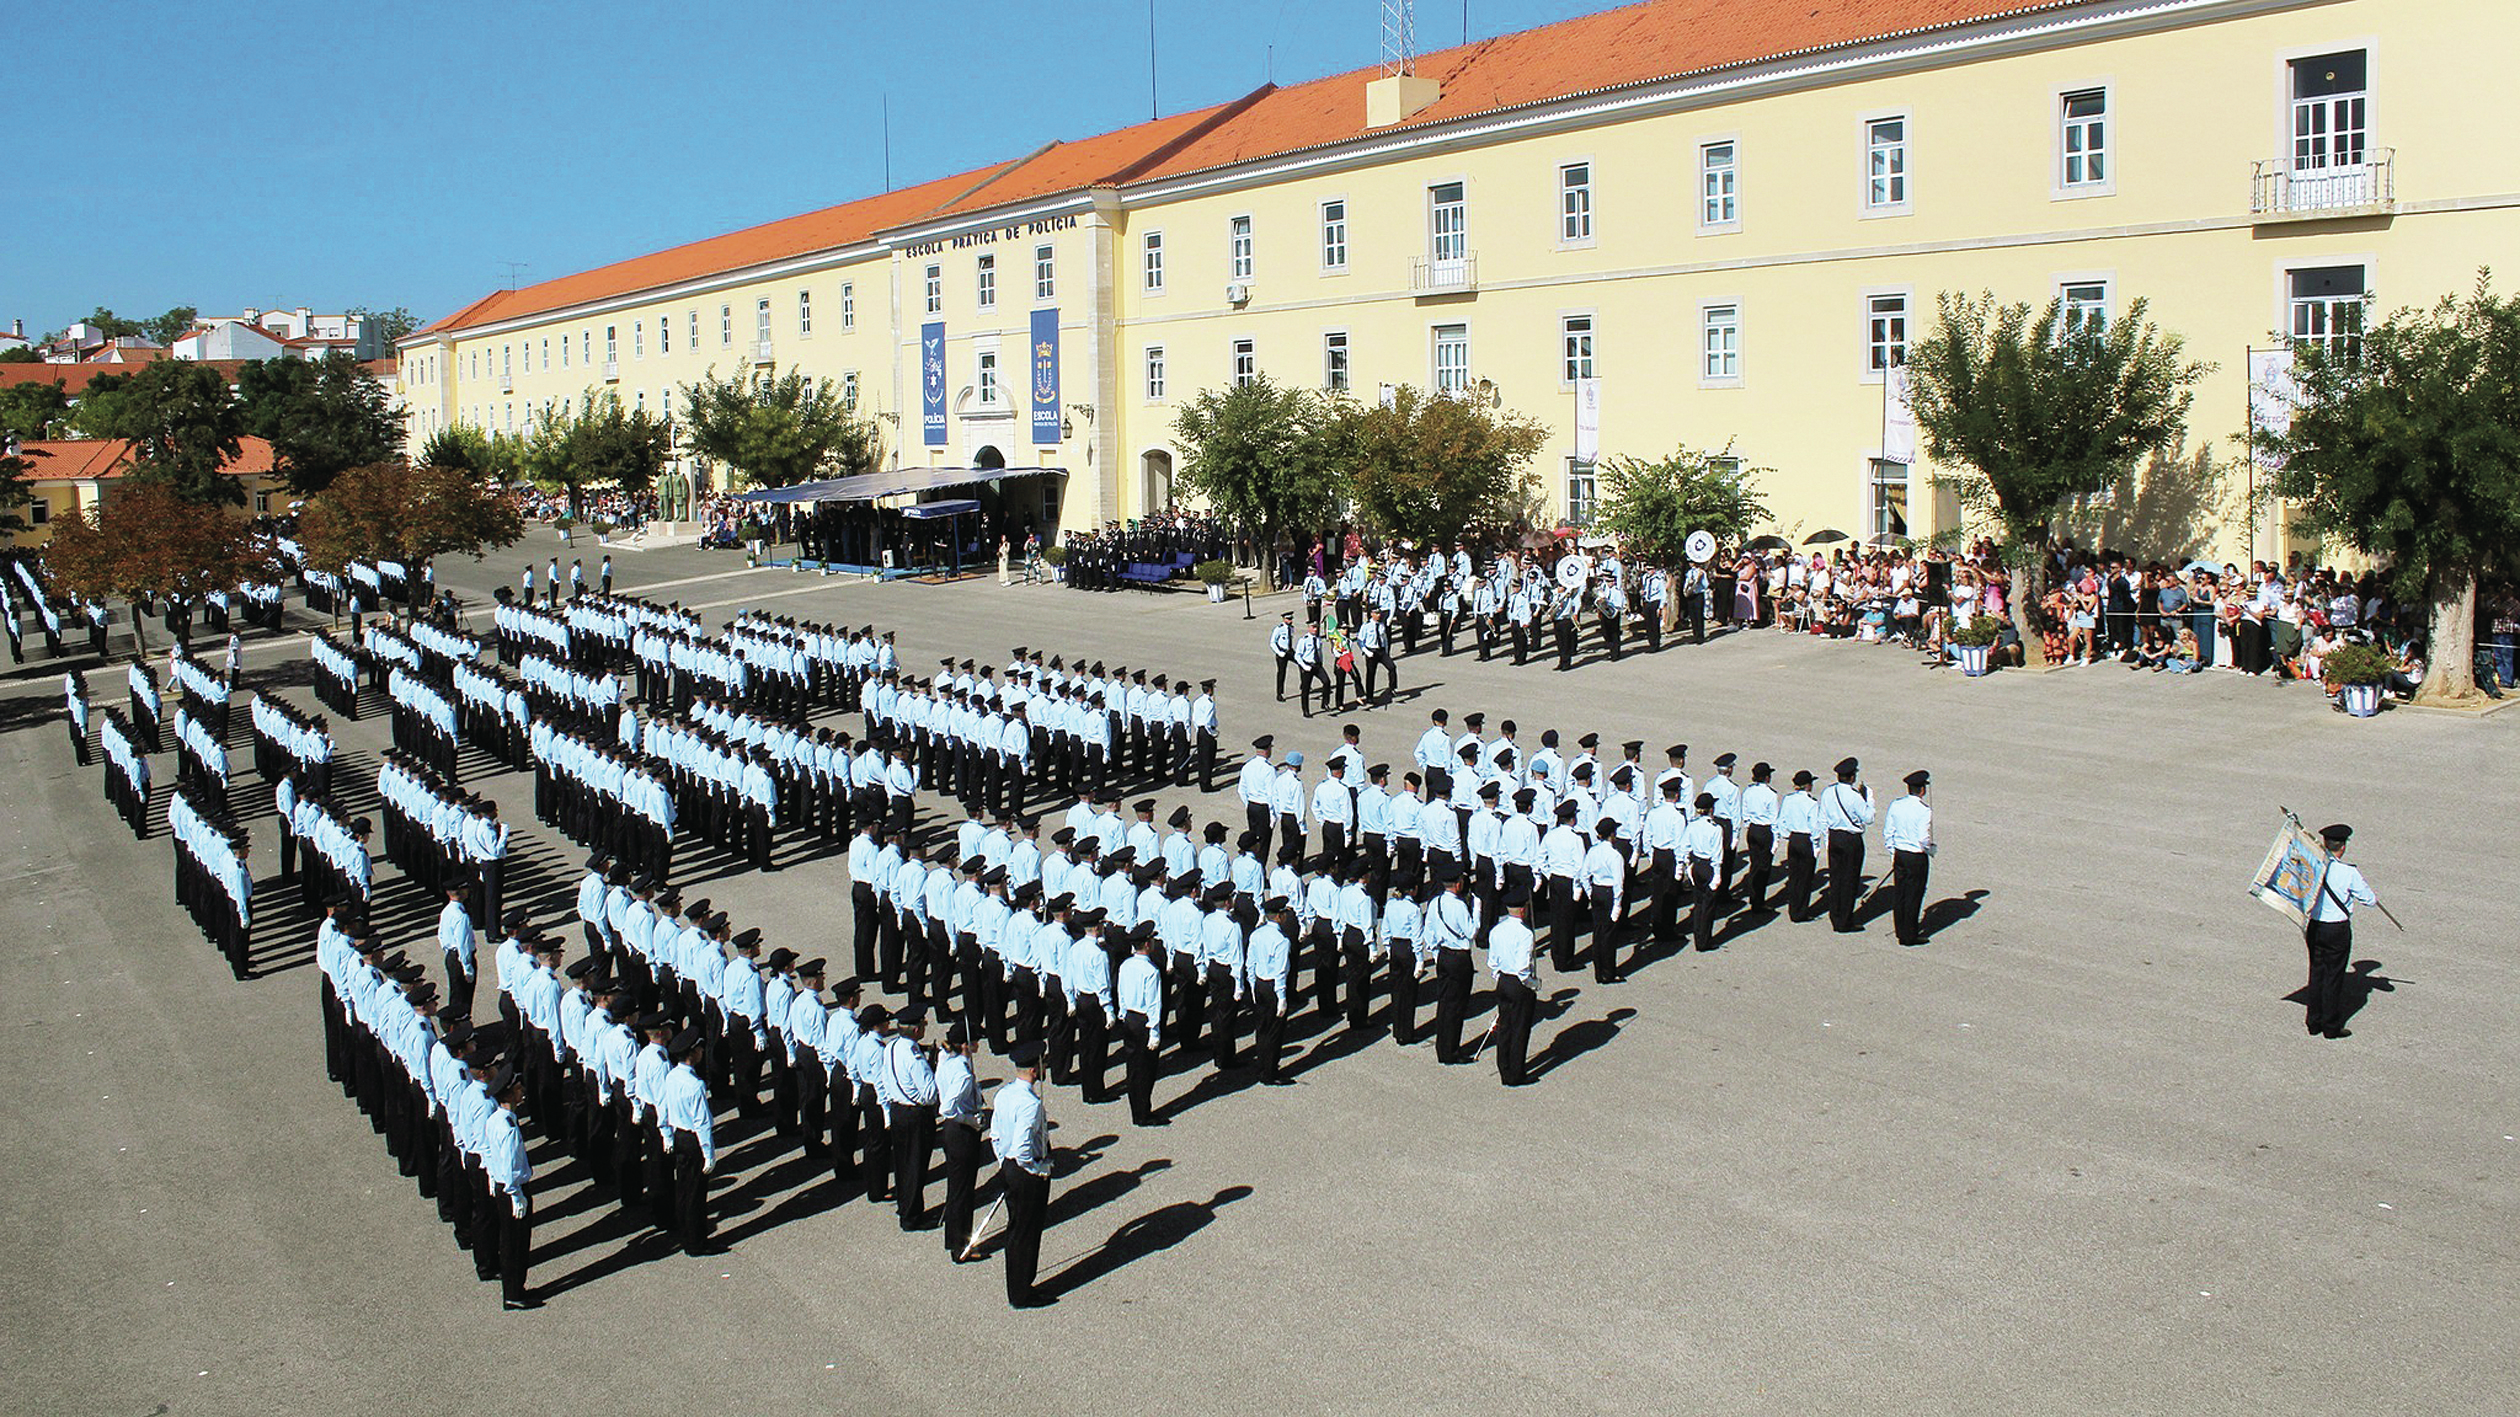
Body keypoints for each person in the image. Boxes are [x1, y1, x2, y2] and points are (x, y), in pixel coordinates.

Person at [988, 1042, 1054, 1307]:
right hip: (1027, 1173)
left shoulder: (1004, 1094)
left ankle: (1019, 1286)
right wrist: (1038, 1170)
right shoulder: (1030, 1104)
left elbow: (995, 1134)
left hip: (1009, 1167)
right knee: (1027, 1232)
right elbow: (1023, 1147)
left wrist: (1004, 1162)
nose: (1044, 1066)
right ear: (1034, 1070)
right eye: (1042, 1063)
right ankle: (1022, 1292)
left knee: (1016, 1230)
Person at [2302, 823, 2377, 1039]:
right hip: (2336, 929)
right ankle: (2331, 1026)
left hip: (2315, 926)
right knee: (2333, 977)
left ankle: (2313, 1021)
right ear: (2342, 846)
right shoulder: (2348, 872)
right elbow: (2370, 900)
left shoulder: (2313, 865)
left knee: (2316, 973)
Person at [657, 1027, 716, 1254]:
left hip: (679, 1135)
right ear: (693, 1053)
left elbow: (664, 1106)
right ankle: (696, 1242)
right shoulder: (695, 1085)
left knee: (683, 1189)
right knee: (696, 1195)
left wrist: (666, 1133)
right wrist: (708, 1154)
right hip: (693, 1140)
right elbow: (702, 1123)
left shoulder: (671, 1076)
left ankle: (685, 1234)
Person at [1486, 890, 1541, 1086]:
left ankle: (1504, 1069)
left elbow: (1492, 962)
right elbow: (1522, 968)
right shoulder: (1525, 934)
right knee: (1520, 1029)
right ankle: (1516, 1073)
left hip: (1502, 981)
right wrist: (1534, 984)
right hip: (1518, 984)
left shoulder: (1497, 929)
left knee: (1505, 1027)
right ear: (1523, 909)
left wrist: (1499, 977)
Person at [1820, 757, 1875, 933]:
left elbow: (1822, 817)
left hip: (1834, 836)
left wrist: (1828, 838)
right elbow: (1869, 818)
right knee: (1850, 880)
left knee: (1836, 878)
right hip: (1851, 839)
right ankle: (1844, 920)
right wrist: (1869, 800)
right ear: (1852, 777)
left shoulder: (1828, 792)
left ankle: (1835, 914)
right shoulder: (1854, 796)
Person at [1882, 770, 1936, 946]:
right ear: (1922, 790)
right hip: (1916, 857)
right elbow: (1923, 839)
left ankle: (1900, 929)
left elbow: (1888, 832)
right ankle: (1909, 935)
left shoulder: (1896, 804)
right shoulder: (1924, 810)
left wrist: (1893, 852)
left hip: (1900, 853)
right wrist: (1930, 850)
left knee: (1900, 893)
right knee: (1914, 894)